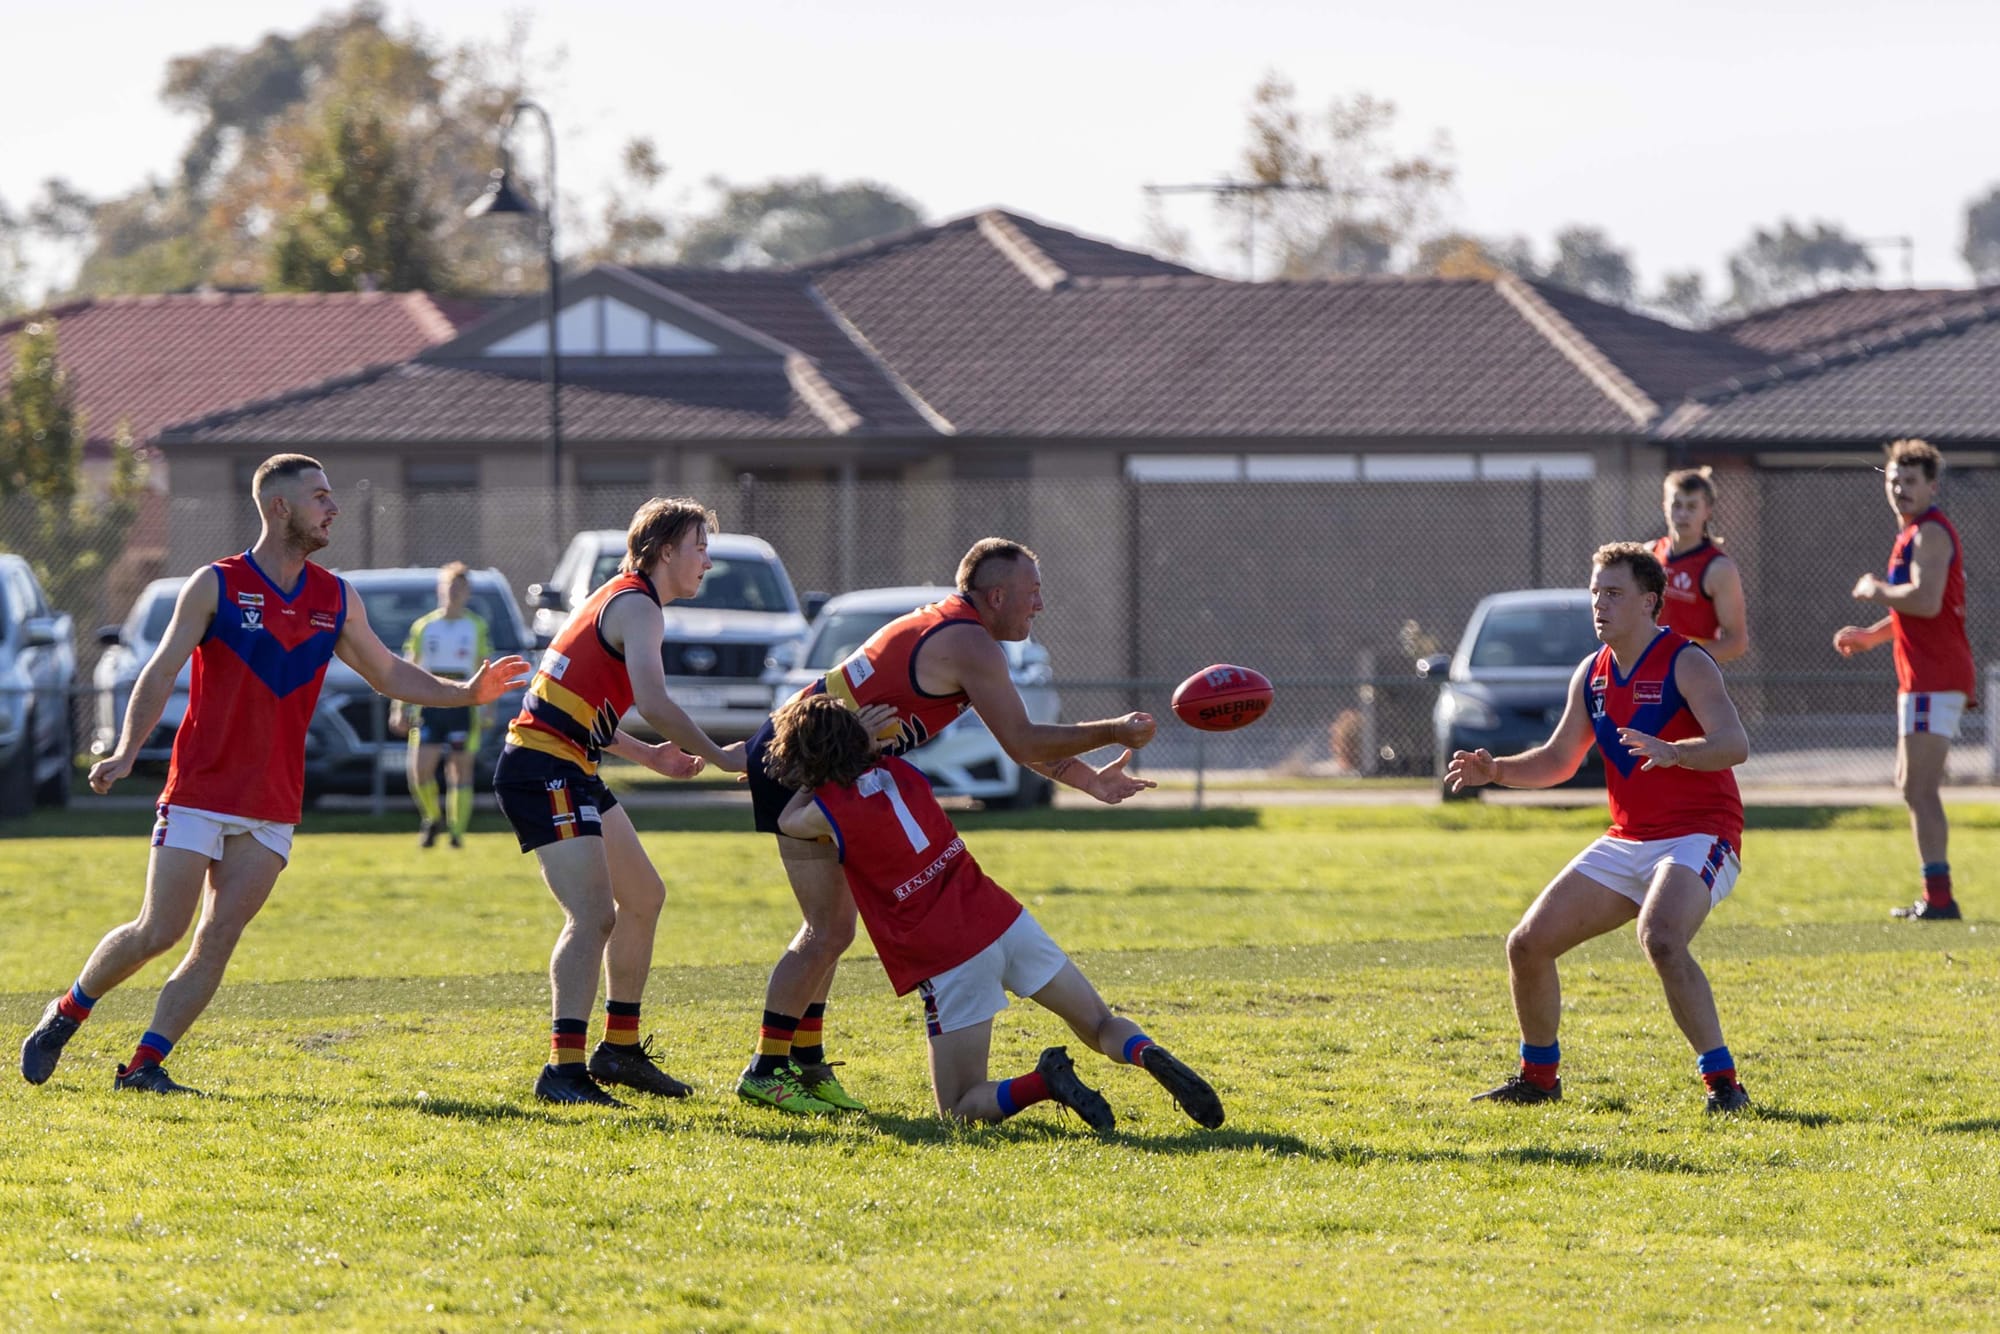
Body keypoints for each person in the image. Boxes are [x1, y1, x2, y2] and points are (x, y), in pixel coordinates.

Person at [19, 454, 531, 1095]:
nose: (333, 508)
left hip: (273, 801)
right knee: (159, 929)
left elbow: (388, 673)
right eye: (320, 497)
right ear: (279, 507)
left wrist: (466, 693)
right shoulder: (216, 584)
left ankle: (145, 1065)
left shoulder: (336, 597)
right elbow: (160, 670)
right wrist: (126, 751)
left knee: (217, 937)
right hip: (200, 788)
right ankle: (66, 1013)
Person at [736, 538, 1159, 1116]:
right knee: (827, 931)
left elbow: (1013, 737)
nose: (1040, 605)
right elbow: (1023, 740)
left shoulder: (959, 629)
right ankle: (766, 1069)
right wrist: (1114, 729)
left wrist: (1088, 780)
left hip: (806, 758)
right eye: (1033, 593)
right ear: (997, 596)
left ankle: (805, 1064)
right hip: (798, 770)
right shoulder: (970, 642)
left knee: (834, 931)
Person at [766, 692, 1223, 1131]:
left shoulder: (827, 809)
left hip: (947, 953)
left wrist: (820, 769)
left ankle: (1043, 1083)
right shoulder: (903, 771)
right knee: (1101, 1025)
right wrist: (862, 745)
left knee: (959, 1109)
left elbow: (787, 819)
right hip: (1005, 920)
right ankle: (1143, 1050)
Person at [1447, 542, 1753, 1113]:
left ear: (1650, 602)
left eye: (1613, 593)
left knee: (1661, 938)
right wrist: (1498, 771)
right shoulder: (1592, 674)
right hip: (1629, 838)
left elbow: (1734, 744)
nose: (1599, 604)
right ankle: (1539, 1079)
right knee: (1527, 945)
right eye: (1595, 593)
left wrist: (1676, 752)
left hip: (1700, 834)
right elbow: (1558, 759)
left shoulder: (1686, 661)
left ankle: (1724, 1085)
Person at [493, 496, 749, 1105]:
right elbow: (654, 703)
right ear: (666, 551)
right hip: (543, 768)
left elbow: (573, 703)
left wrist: (650, 757)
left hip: (567, 764)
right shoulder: (638, 606)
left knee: (643, 897)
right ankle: (563, 1071)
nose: (707, 562)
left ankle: (620, 1051)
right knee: (593, 915)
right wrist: (720, 756)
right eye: (700, 548)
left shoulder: (623, 597)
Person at [1834, 439, 1978, 922]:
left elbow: (1926, 601)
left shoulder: (1930, 532)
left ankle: (1940, 899)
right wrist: (1872, 637)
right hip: (1921, 675)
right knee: (1910, 785)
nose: (1900, 488)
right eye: (1894, 480)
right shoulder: (1911, 533)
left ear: (1932, 486)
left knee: (1919, 789)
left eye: (1911, 481)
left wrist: (1875, 589)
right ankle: (1935, 895)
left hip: (1935, 675)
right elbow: (1914, 610)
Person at [391, 562, 492, 848]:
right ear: (440, 590)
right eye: (450, 587)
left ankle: (457, 832)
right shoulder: (425, 626)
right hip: (429, 703)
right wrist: (400, 707)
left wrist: (488, 707)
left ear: (468, 592)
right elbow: (409, 668)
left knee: (460, 769)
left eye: (460, 587)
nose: (454, 593)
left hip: (463, 705)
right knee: (420, 770)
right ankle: (432, 818)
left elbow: (483, 667)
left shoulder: (476, 626)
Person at [1649, 467, 1749, 663]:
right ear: (1664, 506)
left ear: (1707, 511)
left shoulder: (1718, 568)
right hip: (1645, 672)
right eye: (1677, 505)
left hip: (1689, 676)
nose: (1683, 514)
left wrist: (1680, 660)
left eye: (1692, 507)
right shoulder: (1649, 553)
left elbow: (1737, 642)